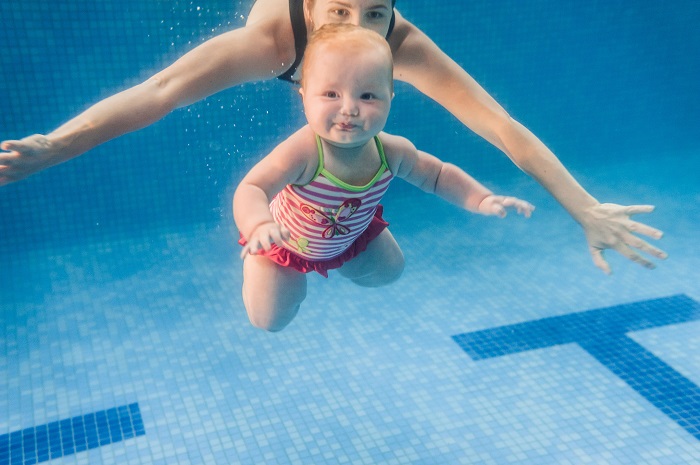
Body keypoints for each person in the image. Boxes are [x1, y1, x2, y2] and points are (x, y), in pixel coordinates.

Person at [0, 0, 666, 274]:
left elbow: (499, 125)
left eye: (374, 12)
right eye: (340, 10)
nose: (357, 26)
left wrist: (583, 206)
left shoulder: (393, 38)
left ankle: (344, 228)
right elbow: (161, 92)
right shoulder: (271, 37)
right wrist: (57, 144)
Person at [233, 24, 535, 332]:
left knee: (390, 270)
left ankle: (340, 260)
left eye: (367, 96)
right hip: (282, 245)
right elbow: (252, 187)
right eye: (331, 94)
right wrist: (259, 224)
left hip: (348, 237)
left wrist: (481, 199)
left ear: (390, 96)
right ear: (304, 95)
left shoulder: (391, 151)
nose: (349, 108)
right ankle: (257, 268)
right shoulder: (303, 151)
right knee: (270, 319)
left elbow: (437, 175)